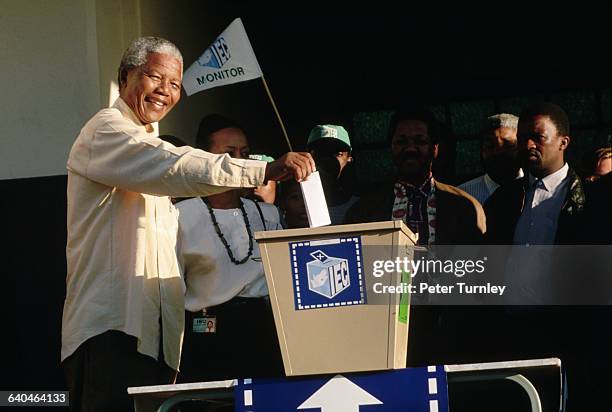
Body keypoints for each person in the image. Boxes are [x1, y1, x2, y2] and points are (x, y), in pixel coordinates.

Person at [61, 37, 314, 411]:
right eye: (155, 77)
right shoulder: (107, 130)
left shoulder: (147, 143)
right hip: (111, 333)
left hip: (153, 342)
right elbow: (175, 165)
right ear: (126, 75)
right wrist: (262, 169)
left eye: (175, 84)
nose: (165, 91)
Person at [177, 114, 284, 382]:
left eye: (245, 153)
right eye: (229, 154)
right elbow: (170, 295)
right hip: (207, 336)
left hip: (264, 332)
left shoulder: (267, 214)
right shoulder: (179, 216)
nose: (239, 160)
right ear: (204, 158)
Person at [346, 106, 485, 245]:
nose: (411, 148)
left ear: (435, 149)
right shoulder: (364, 211)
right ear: (391, 147)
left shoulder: (464, 206)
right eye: (402, 141)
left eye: (420, 141)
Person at [458, 113, 523, 204]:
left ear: (522, 147)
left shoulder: (538, 191)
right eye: (490, 145)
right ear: (481, 150)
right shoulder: (461, 196)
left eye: (508, 145)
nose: (498, 152)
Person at [307, 124, 359, 224]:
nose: (329, 159)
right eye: (322, 151)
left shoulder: (363, 206)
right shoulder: (295, 204)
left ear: (349, 158)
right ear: (308, 156)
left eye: (338, 153)